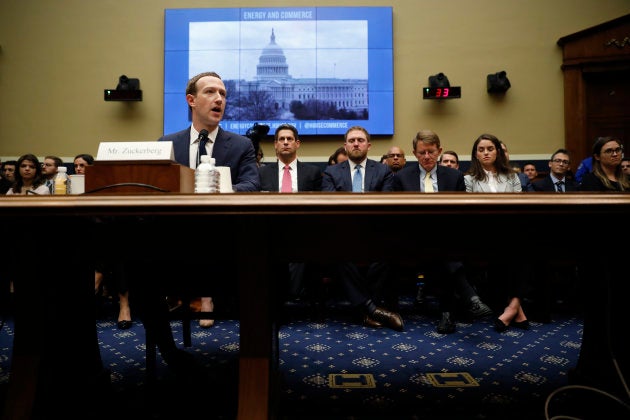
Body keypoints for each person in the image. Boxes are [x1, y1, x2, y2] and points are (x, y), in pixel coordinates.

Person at [157, 71, 260, 337]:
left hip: (224, 235)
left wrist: (217, 190)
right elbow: (156, 189)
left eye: (223, 94)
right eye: (211, 92)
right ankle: (167, 349)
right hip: (174, 236)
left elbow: (251, 185)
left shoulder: (241, 145)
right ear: (191, 100)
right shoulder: (166, 144)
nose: (219, 99)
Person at [392, 129, 492, 333]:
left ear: (439, 151)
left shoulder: (454, 176)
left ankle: (450, 312)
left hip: (447, 236)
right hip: (412, 238)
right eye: (421, 153)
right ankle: (465, 301)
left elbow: (462, 213)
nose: (426, 157)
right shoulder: (402, 178)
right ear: (414, 153)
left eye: (431, 151)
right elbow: (397, 215)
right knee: (445, 252)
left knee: (444, 249)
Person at [321, 126, 402, 331]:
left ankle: (365, 309)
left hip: (374, 232)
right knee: (338, 253)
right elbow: (329, 206)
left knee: (387, 252)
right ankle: (372, 308)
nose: (356, 144)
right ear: (345, 145)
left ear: (368, 145)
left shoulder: (383, 170)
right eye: (351, 141)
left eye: (360, 140)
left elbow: (386, 205)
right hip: (344, 232)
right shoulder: (331, 172)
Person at [465, 134, 529, 332]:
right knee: (512, 248)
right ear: (475, 154)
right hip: (482, 233)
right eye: (481, 149)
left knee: (524, 247)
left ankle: (512, 307)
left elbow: (520, 207)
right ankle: (517, 309)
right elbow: (470, 212)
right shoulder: (469, 179)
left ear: (498, 152)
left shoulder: (512, 176)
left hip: (510, 230)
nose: (486, 153)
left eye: (490, 149)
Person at [259, 123, 323, 303]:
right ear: (275, 144)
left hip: (302, 229)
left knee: (301, 245)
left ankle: (288, 297)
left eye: (289, 139)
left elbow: (319, 208)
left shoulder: (313, 173)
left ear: (297, 144)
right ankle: (280, 298)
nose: (285, 142)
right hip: (270, 228)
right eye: (281, 139)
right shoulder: (262, 173)